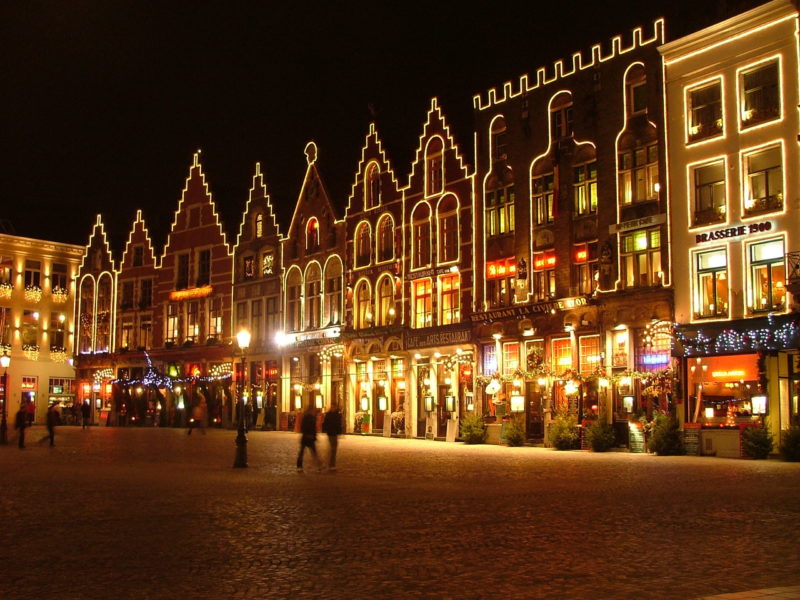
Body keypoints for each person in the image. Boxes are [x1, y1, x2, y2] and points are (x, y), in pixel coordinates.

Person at [296, 405, 322, 472]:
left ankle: (318, 466)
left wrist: (314, 435)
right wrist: (310, 435)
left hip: (308, 437)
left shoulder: (311, 417)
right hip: (307, 437)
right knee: (309, 452)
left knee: (309, 452)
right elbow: (305, 427)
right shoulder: (308, 417)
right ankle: (318, 466)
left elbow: (312, 428)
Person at [322, 402, 343, 471]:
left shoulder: (337, 415)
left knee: (334, 449)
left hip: (335, 433)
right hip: (330, 433)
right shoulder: (328, 414)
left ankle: (332, 464)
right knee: (333, 449)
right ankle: (331, 464)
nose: (332, 408)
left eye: (333, 407)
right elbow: (325, 423)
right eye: (332, 407)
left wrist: (339, 432)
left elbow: (339, 424)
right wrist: (325, 429)